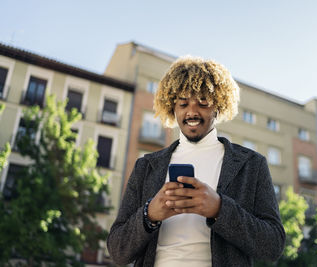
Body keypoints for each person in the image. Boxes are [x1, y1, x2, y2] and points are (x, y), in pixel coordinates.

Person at [107, 56, 285, 267]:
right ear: (173, 108)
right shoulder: (146, 166)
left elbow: (273, 245)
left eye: (202, 102)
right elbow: (117, 251)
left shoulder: (251, 165)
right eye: (183, 103)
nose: (192, 111)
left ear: (218, 106)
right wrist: (149, 214)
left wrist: (220, 209)